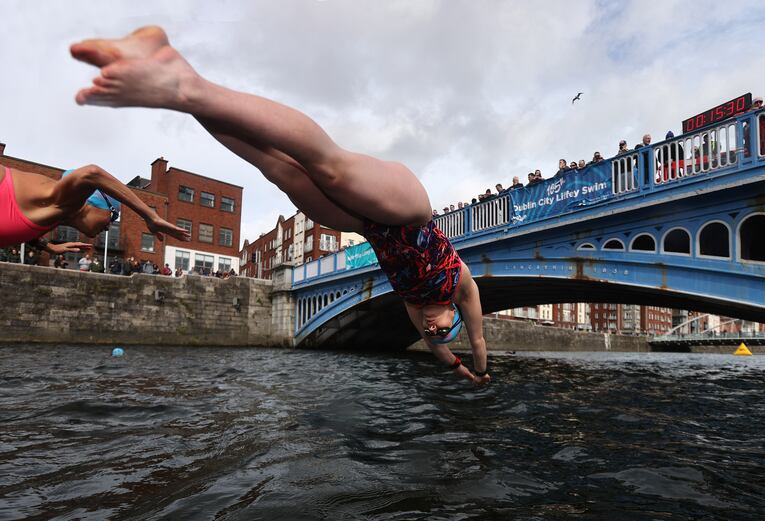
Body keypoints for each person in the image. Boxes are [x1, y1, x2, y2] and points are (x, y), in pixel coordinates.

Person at [71, 25, 489, 383]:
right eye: (442, 330)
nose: (433, 330)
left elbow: (440, 354)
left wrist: (454, 368)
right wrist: (480, 368)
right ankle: (187, 86)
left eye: (431, 334)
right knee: (329, 168)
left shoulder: (416, 308)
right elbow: (478, 339)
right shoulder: (461, 286)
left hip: (370, 225)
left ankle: (180, 88)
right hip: (409, 210)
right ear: (453, 315)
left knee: (280, 173)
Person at [0, 161, 189, 253]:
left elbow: (24, 229)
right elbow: (92, 173)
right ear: (90, 202)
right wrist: (150, 216)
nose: (109, 226)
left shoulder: (53, 216)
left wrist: (49, 247)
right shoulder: (63, 203)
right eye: (113, 215)